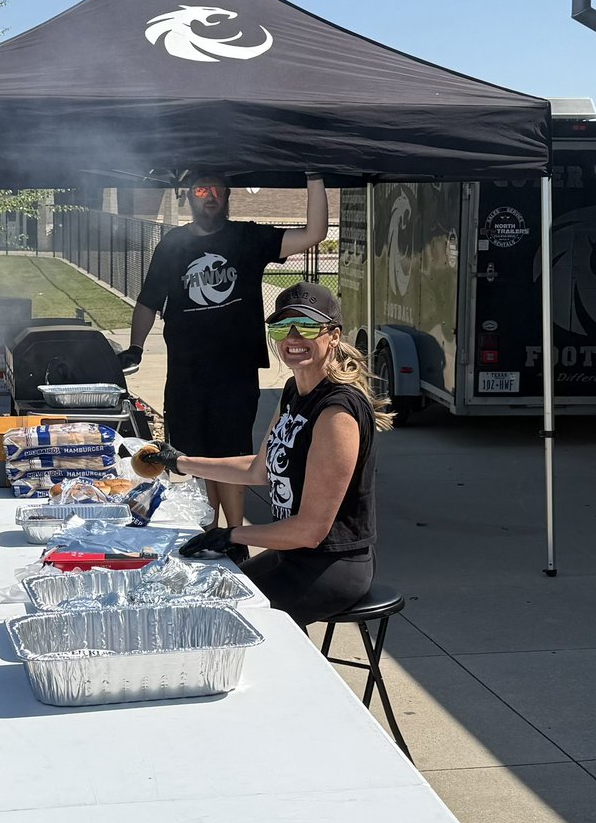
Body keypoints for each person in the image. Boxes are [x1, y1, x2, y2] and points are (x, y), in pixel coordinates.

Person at [139, 282, 394, 627]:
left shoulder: (337, 411)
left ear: (333, 336)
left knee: (217, 618)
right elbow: (259, 469)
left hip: (331, 567)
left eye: (306, 327)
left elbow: (310, 530)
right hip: (291, 556)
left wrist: (231, 534)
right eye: (281, 327)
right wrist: (179, 461)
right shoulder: (295, 391)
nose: (292, 337)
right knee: (201, 592)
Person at [121, 171, 329, 538]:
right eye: (202, 189)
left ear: (228, 195)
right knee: (191, 460)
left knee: (230, 456)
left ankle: (233, 539)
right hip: (186, 375)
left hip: (235, 372)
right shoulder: (173, 244)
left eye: (217, 189)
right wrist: (136, 348)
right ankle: (205, 536)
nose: (210, 196)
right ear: (189, 196)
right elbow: (148, 301)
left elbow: (314, 234)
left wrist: (313, 176)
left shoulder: (247, 237)